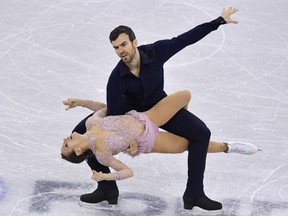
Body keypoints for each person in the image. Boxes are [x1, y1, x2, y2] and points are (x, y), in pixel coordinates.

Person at [70, 7, 241, 211]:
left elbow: (185, 39)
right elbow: (112, 117)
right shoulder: (116, 80)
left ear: (134, 42)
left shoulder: (156, 52)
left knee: (201, 133)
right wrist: (129, 139)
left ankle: (194, 193)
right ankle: (107, 188)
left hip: (159, 106)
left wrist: (218, 21)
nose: (121, 50)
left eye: (124, 44)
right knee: (83, 135)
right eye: (116, 47)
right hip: (131, 116)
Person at [61, 91, 258, 181]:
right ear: (78, 151)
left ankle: (182, 125)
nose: (65, 140)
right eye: (66, 146)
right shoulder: (102, 154)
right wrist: (106, 177)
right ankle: (228, 147)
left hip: (147, 117)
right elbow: (128, 171)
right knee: (191, 144)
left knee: (184, 96)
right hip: (148, 141)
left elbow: (104, 108)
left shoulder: (90, 123)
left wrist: (79, 102)